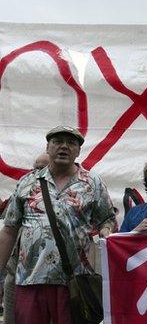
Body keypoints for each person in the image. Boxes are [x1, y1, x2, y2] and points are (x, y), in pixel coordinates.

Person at [0, 126, 116, 324]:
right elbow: (9, 231)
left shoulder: (93, 183)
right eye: (57, 141)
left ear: (79, 151)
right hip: (30, 279)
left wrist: (107, 230)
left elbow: (107, 219)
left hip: (74, 281)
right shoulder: (27, 182)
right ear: (48, 147)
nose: (64, 146)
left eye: (71, 143)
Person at [0, 153, 49, 324]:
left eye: (42, 167)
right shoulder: (23, 188)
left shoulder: (63, 196)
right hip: (16, 271)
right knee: (12, 318)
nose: (37, 171)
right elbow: (8, 228)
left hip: (47, 279)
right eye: (36, 167)